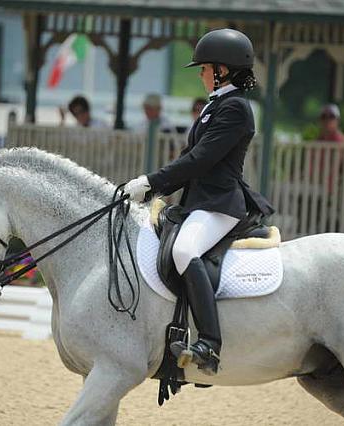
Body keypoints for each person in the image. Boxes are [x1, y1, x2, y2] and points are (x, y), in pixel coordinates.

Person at [124, 28, 275, 375]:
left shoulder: (235, 108)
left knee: (183, 251)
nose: (203, 74)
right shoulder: (217, 104)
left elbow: (201, 160)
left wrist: (151, 181)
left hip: (219, 204)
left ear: (223, 69)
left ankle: (209, 343)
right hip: (198, 202)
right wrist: (153, 189)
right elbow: (188, 157)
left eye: (206, 68)